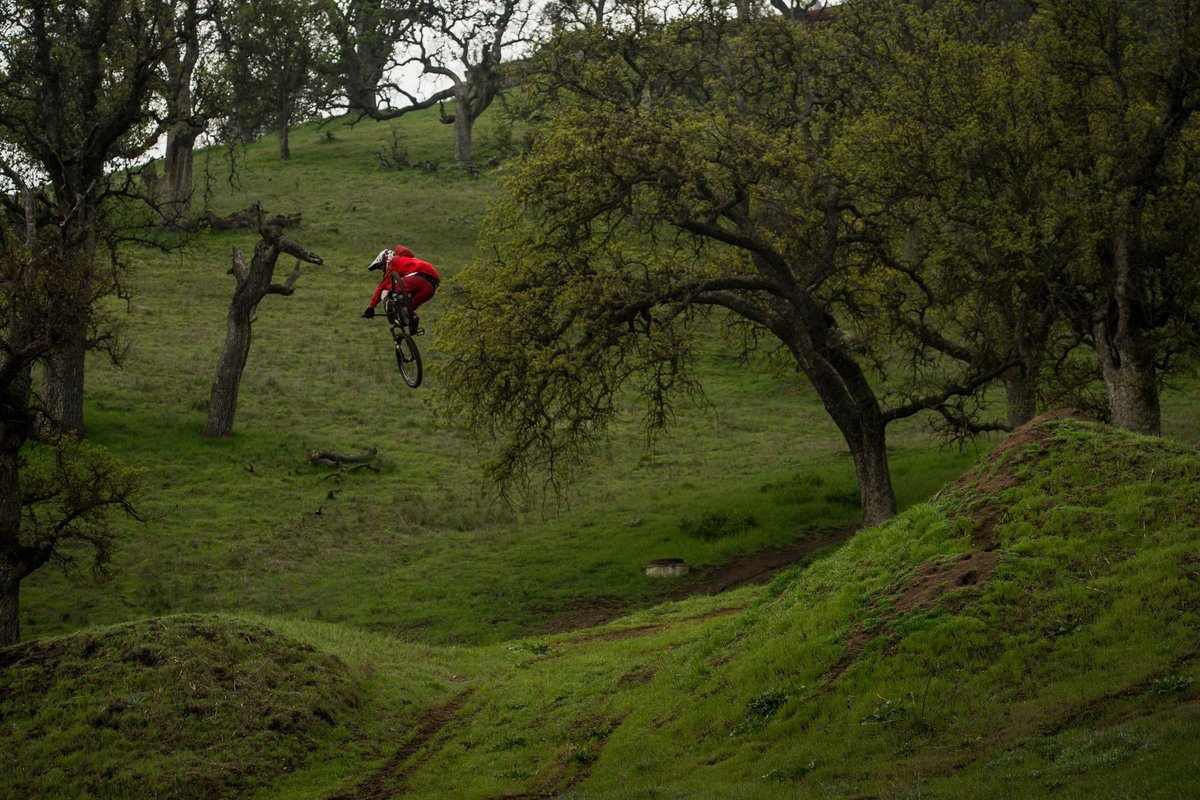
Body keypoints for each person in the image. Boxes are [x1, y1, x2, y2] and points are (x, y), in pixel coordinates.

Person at [362, 244, 441, 325]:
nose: (383, 270)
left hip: (416, 277)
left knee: (385, 290)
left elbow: (381, 287)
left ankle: (388, 303)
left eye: (381, 267)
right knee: (407, 308)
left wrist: (371, 307)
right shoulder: (409, 260)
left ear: (385, 260)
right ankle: (412, 318)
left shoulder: (394, 262)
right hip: (431, 287)